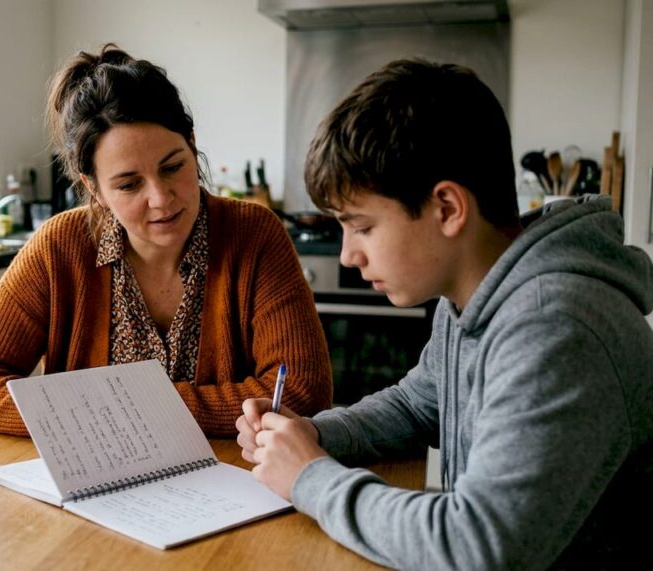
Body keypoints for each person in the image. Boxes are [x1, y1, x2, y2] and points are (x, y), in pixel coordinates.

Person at [237, 58, 653, 569]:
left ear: (449, 209)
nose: (347, 255)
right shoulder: (471, 295)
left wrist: (309, 476)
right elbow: (416, 406)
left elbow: (476, 547)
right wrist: (313, 435)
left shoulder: (554, 325)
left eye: (362, 227)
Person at [0, 45, 333, 437]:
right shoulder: (58, 247)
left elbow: (301, 393)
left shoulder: (254, 234)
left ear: (192, 145)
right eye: (129, 184)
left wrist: (114, 410)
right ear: (94, 189)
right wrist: (135, 412)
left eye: (173, 167)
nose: (161, 198)